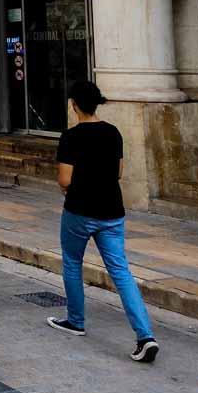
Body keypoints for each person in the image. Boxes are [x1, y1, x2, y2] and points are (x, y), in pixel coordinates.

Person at [46, 80, 159, 364]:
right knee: (121, 272)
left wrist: (70, 187)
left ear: (73, 105)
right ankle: (145, 335)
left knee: (72, 263)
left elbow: (64, 180)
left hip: (79, 211)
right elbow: (118, 172)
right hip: (112, 210)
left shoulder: (70, 137)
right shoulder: (113, 132)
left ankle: (76, 321)